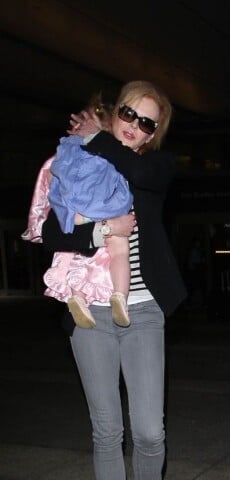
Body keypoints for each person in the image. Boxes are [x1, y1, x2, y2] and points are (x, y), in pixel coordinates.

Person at [39, 80, 187, 480]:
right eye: (128, 112)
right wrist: (101, 230)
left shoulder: (153, 167)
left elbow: (140, 171)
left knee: (148, 429)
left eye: (146, 122)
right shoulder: (80, 161)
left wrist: (98, 133)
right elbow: (52, 232)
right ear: (116, 109)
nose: (134, 125)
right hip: (90, 313)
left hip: (143, 310)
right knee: (106, 428)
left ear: (152, 134)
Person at [24, 97, 133, 329]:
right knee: (120, 252)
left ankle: (77, 297)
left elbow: (48, 188)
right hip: (104, 212)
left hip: (73, 217)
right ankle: (120, 295)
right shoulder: (110, 158)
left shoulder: (62, 156)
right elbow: (120, 189)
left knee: (70, 256)